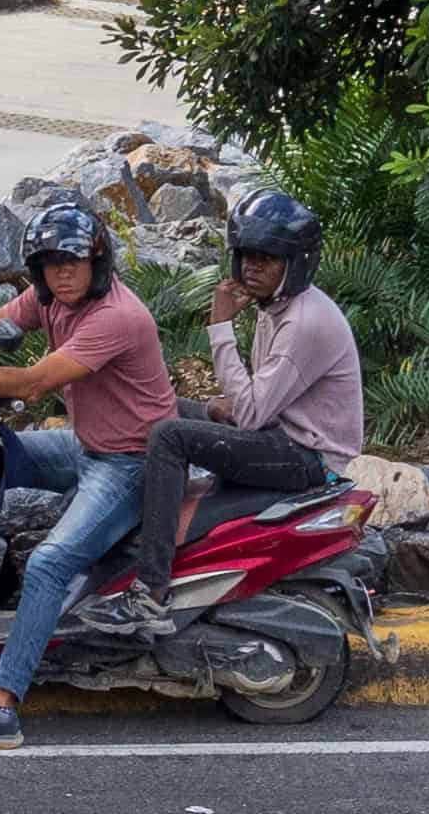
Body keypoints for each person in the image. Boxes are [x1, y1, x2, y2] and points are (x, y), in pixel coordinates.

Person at [0, 202, 180, 750]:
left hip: (132, 466)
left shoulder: (117, 316)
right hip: (90, 446)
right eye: (49, 262)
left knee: (48, 563)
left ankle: (1, 710)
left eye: (72, 259)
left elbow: (29, 383)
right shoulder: (50, 300)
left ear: (97, 258)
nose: (62, 271)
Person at [85, 191, 366, 640]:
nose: (252, 267)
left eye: (266, 258)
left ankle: (150, 593)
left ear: (295, 263)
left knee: (170, 437)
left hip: (306, 457)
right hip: (281, 433)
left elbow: (253, 414)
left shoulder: (304, 321)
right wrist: (216, 407)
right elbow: (256, 399)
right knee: (164, 408)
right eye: (246, 256)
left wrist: (220, 328)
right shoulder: (278, 307)